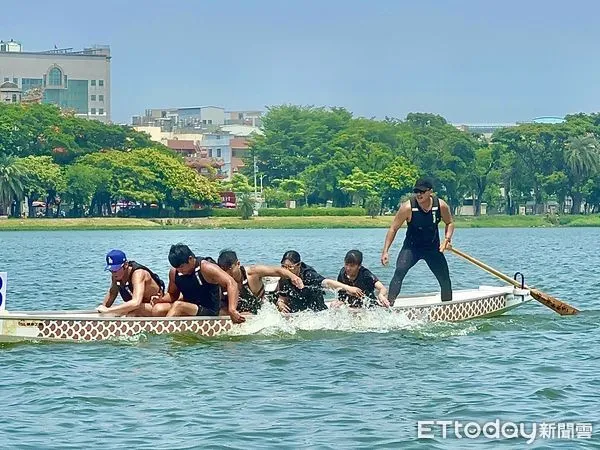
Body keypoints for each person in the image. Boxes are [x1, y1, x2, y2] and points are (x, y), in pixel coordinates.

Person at [381, 177, 454, 304]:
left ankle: (447, 308)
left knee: (445, 279)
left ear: (430, 191)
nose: (419, 194)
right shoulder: (407, 207)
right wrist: (385, 251)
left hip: (432, 249)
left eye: (422, 191)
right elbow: (393, 228)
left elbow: (450, 223)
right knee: (399, 272)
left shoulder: (440, 205)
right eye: (416, 191)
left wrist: (447, 239)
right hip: (411, 248)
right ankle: (389, 304)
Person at [151, 244, 245, 323]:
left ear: (190, 259)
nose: (180, 271)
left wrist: (232, 309)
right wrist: (161, 299)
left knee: (178, 305)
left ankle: (164, 337)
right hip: (190, 307)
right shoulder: (174, 272)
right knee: (158, 309)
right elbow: (172, 294)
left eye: (182, 267)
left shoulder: (206, 267)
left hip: (210, 310)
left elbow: (231, 283)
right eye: (177, 268)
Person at [217, 250, 305, 314]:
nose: (226, 274)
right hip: (234, 312)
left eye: (229, 269)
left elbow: (277, 271)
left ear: (238, 264)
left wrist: (293, 277)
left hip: (260, 311)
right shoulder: (220, 278)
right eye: (223, 270)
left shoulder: (253, 273)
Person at [276, 250, 364, 313]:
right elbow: (282, 296)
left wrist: (348, 288)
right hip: (295, 309)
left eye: (290, 267)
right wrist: (280, 302)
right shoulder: (283, 276)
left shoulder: (309, 275)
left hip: (315, 310)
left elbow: (327, 282)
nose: (286, 270)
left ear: (299, 265)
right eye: (284, 266)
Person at [97, 249, 165, 316]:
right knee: (125, 310)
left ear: (126, 265)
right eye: (111, 270)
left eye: (115, 269)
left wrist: (109, 311)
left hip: (155, 307)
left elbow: (136, 303)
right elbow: (112, 293)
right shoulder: (116, 276)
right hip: (139, 307)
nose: (113, 273)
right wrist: (102, 310)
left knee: (132, 310)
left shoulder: (138, 274)